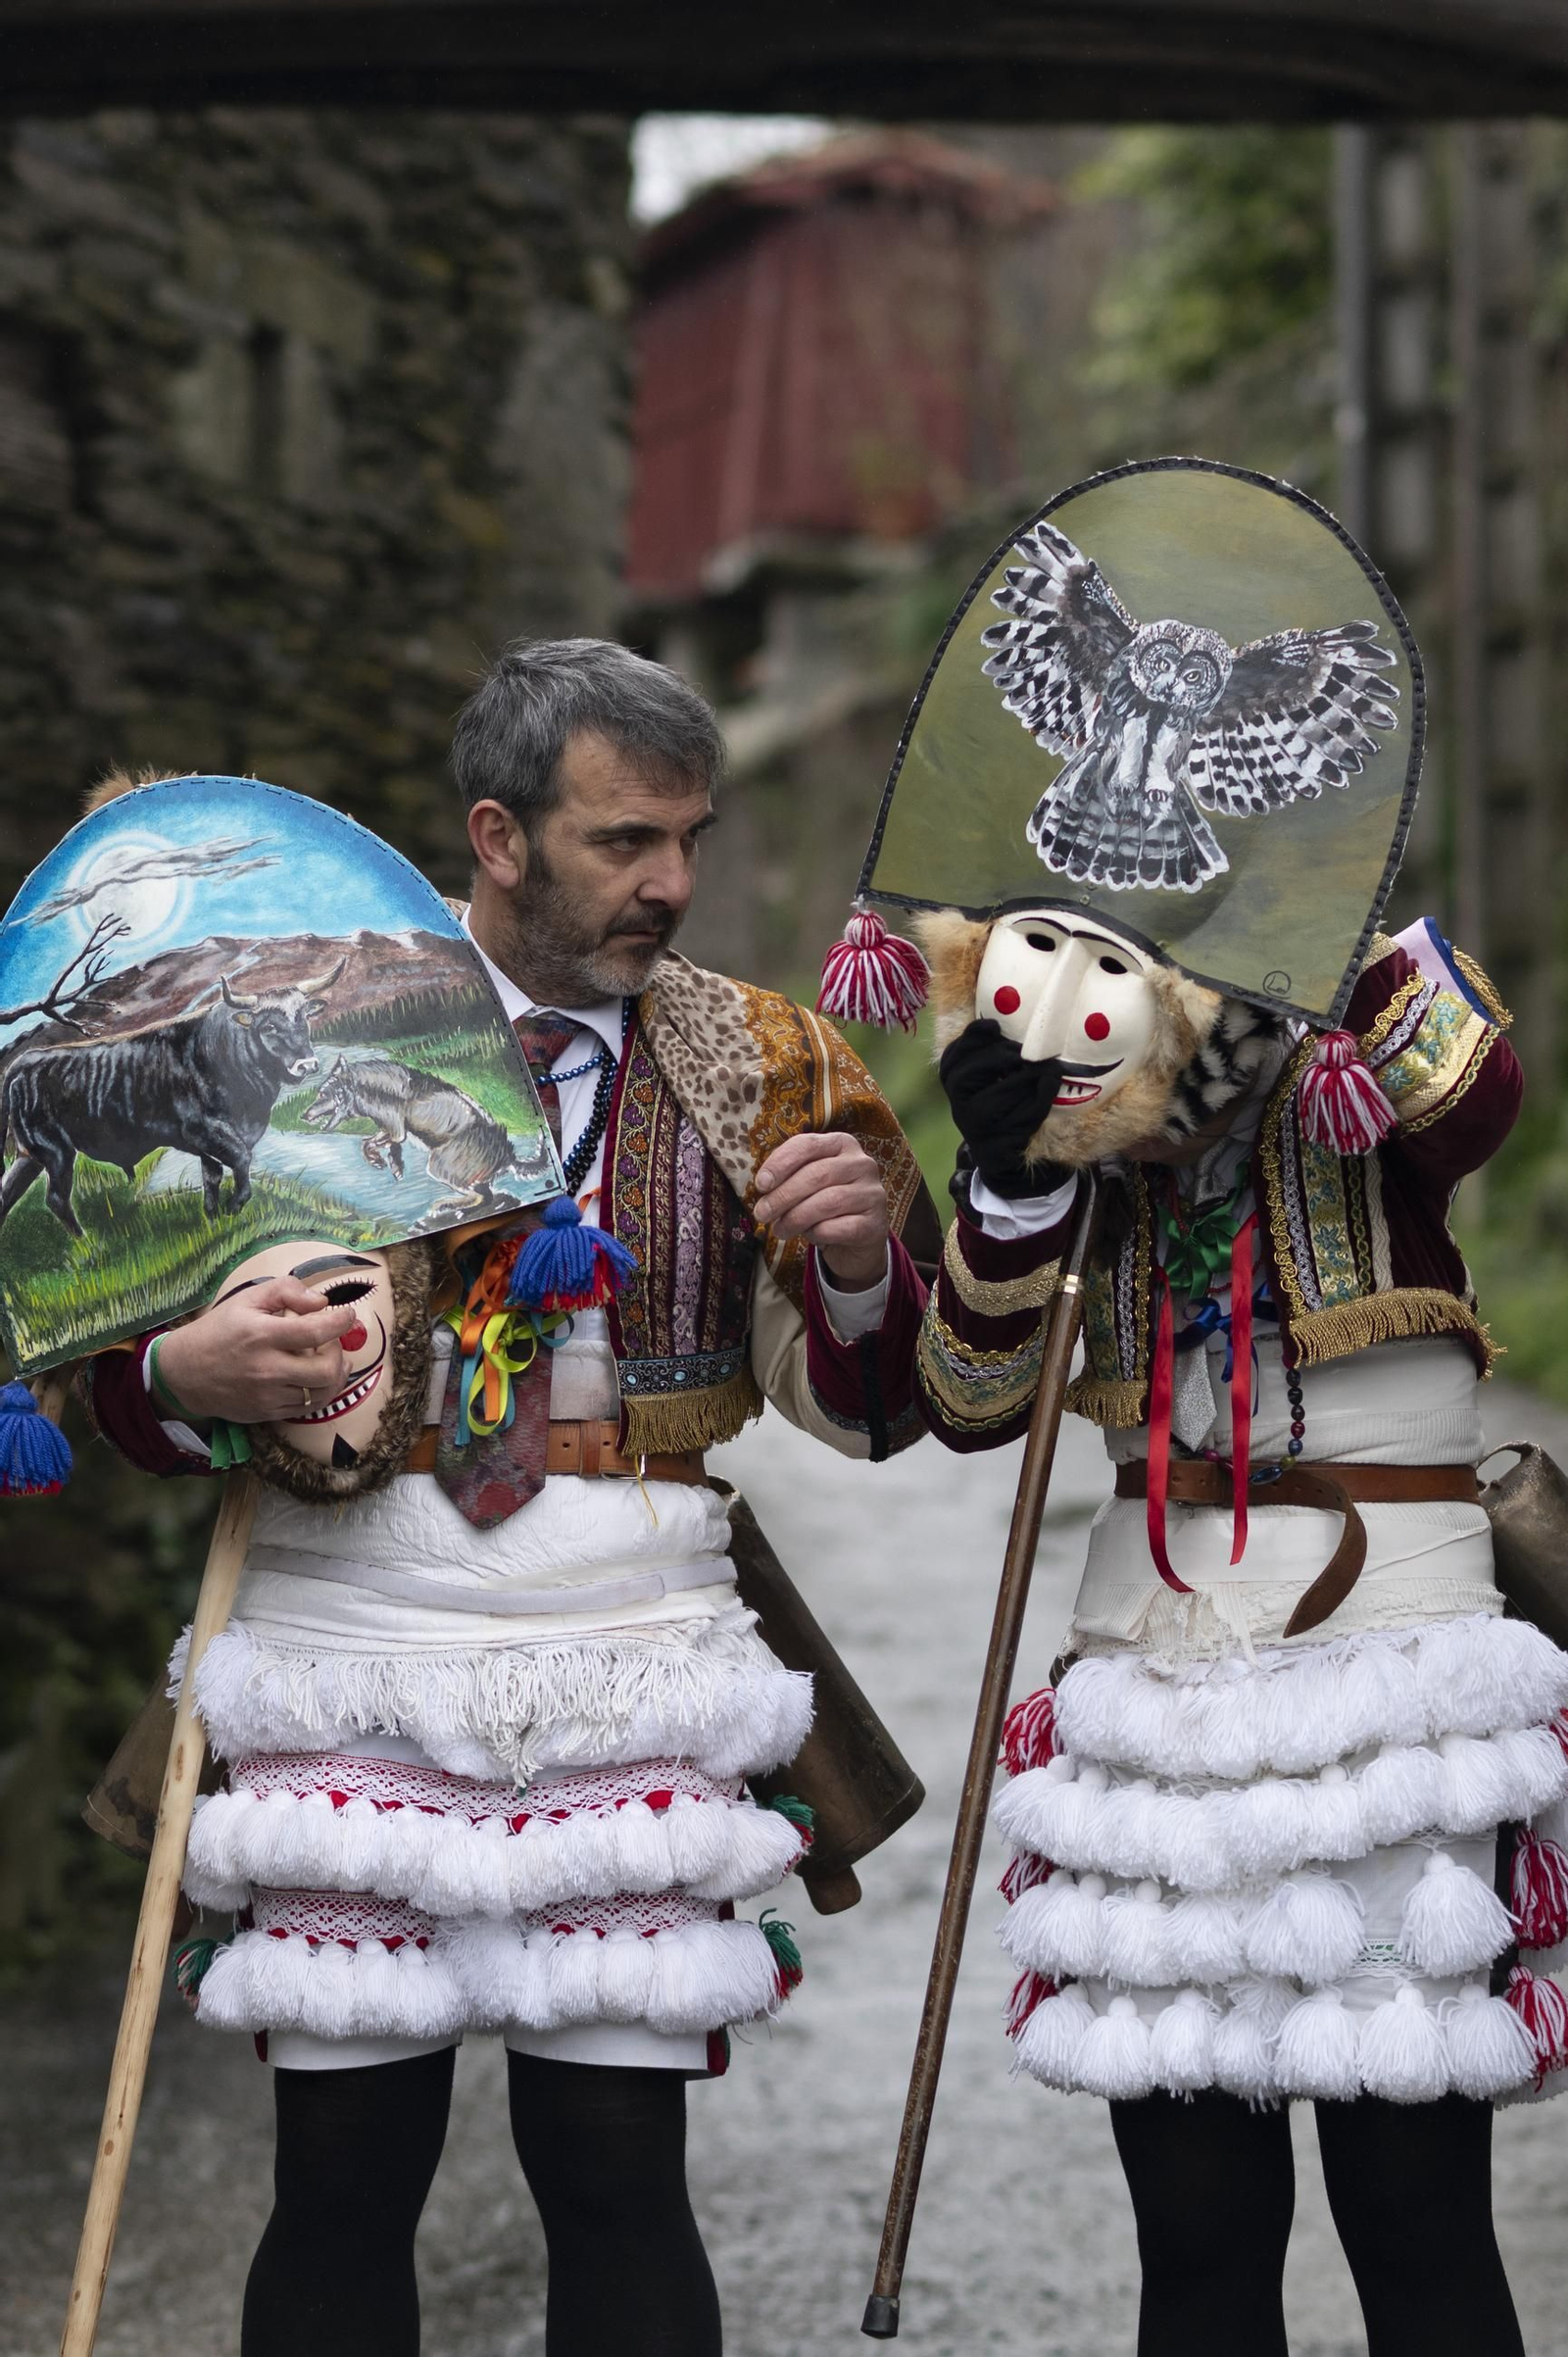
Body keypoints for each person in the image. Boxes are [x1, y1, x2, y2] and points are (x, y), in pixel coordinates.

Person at [85, 637, 936, 2357]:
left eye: (689, 838)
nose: (672, 883)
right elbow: (107, 1353)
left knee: (621, 2161)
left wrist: (856, 1267)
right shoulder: (279, 1039)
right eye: (625, 842)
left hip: (630, 1636)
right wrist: (183, 1373)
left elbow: (870, 1404)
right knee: (342, 2160)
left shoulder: (767, 1057)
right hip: (348, 1623)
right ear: (497, 833)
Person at [915, 910, 1567, 2357]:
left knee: (1413, 2205)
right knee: (1196, 2226)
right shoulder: (1057, 1062)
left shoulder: (1353, 1008)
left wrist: (1323, 916)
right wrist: (1011, 1186)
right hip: (1159, 1666)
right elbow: (965, 1398)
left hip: (1390, 1655)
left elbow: (1481, 1098)